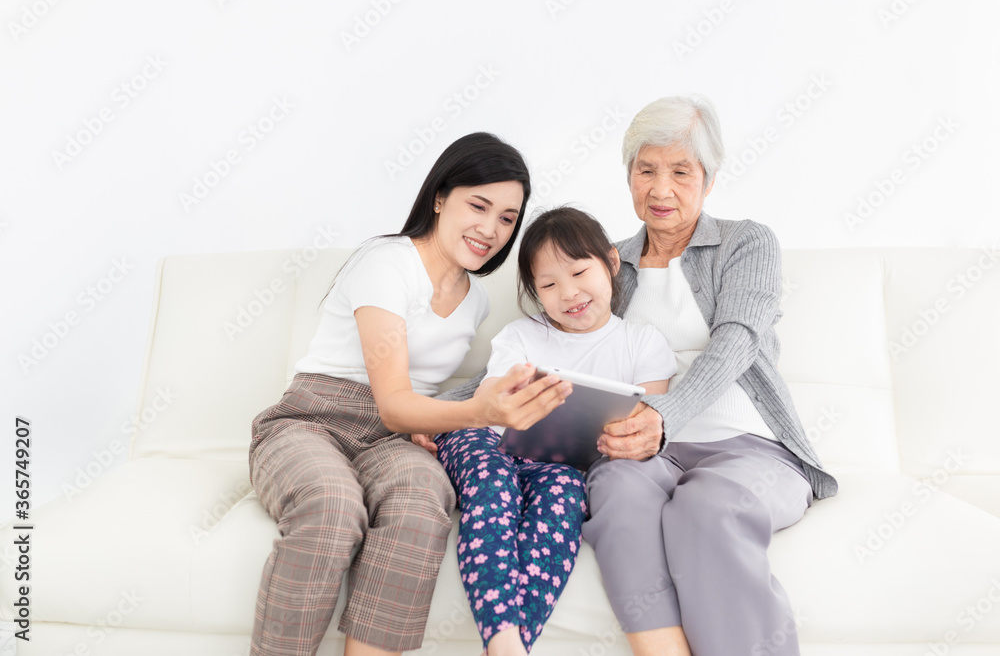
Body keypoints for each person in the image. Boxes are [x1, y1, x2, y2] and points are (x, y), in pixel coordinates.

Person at [247, 132, 572, 656]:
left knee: (425, 501)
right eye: (479, 205)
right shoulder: (386, 262)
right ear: (440, 197)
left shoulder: (477, 303)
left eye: (507, 218)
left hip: (396, 439)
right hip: (313, 419)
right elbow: (393, 398)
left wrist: (450, 413)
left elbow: (414, 405)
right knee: (332, 506)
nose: (490, 229)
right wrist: (476, 410)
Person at [580, 96, 839, 656]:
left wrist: (662, 415)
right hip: (647, 455)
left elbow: (737, 341)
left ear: (710, 179)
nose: (661, 189)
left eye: (681, 171)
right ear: (628, 176)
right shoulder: (607, 262)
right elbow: (548, 343)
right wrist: (447, 407)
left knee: (708, 508)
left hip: (752, 452)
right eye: (645, 170)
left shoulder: (746, 242)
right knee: (614, 492)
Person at [433, 207, 677, 656]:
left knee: (563, 501)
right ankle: (507, 644)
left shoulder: (643, 344)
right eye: (548, 285)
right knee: (492, 485)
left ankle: (511, 645)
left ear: (611, 264)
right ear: (534, 294)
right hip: (493, 441)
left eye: (580, 271)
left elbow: (645, 422)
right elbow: (490, 400)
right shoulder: (521, 335)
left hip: (565, 462)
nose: (568, 293)